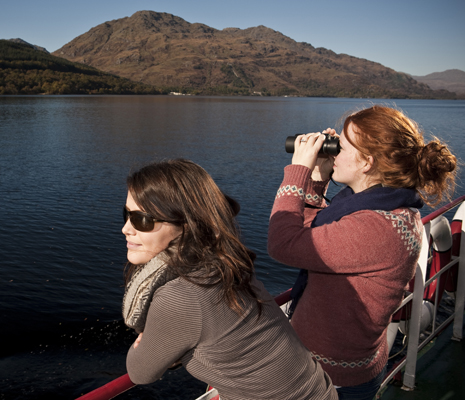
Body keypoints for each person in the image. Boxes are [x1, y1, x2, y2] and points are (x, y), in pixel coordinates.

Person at [268, 105, 457, 399]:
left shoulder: (376, 227)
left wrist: (298, 171)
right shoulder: (382, 208)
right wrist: (318, 178)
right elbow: (313, 237)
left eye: (340, 147)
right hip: (347, 362)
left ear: (367, 162)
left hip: (334, 379)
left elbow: (284, 243)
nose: (333, 152)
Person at [122, 158, 338, 400]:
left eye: (142, 220)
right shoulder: (225, 264)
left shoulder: (180, 295)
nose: (126, 229)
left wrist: (151, 345)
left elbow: (140, 372)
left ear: (186, 225)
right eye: (127, 215)